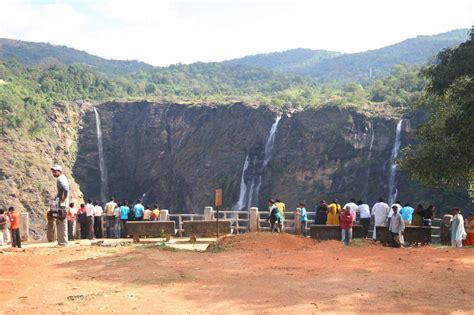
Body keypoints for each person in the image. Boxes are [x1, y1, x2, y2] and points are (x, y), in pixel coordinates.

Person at [51, 164, 69, 246]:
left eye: (55, 171)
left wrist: (63, 198)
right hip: (60, 202)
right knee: (60, 220)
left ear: (59, 171)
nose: (53, 173)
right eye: (53, 171)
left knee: (62, 220)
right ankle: (61, 241)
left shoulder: (60, 178)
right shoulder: (62, 178)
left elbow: (65, 189)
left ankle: (64, 242)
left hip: (62, 204)